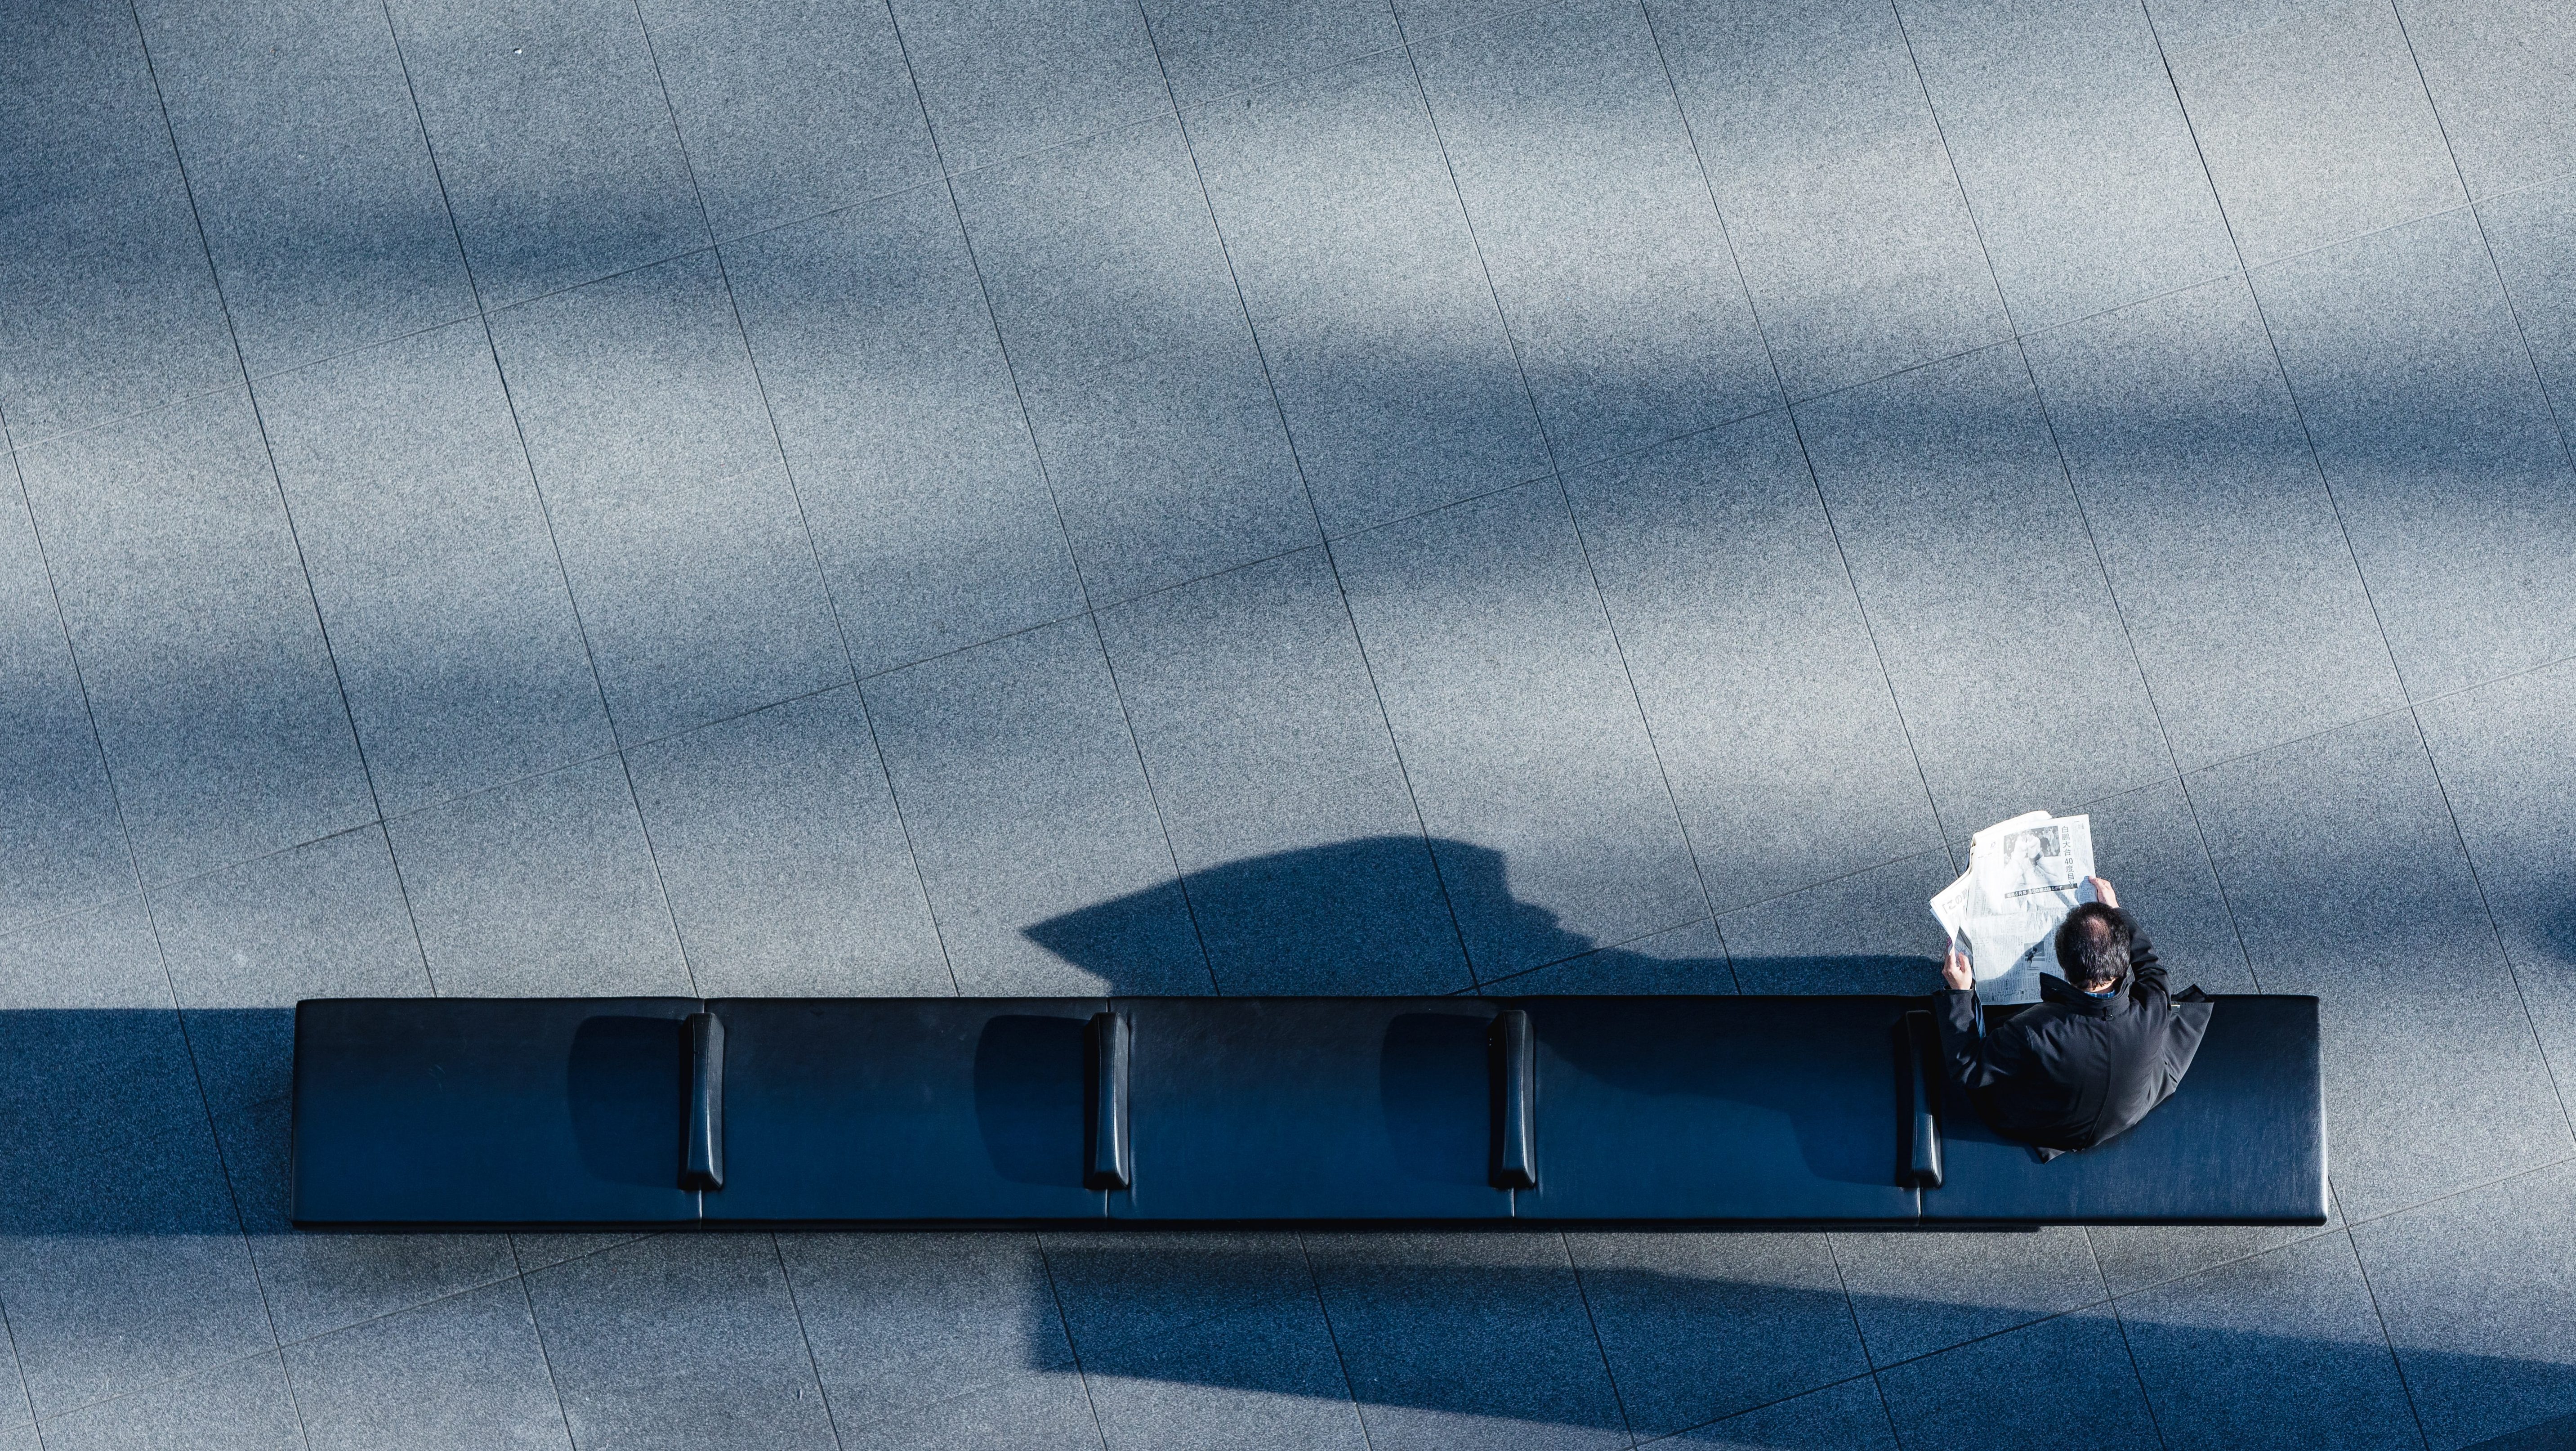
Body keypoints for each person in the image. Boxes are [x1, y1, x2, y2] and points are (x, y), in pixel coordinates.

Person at [1933, 877, 2213, 1160]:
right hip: (2127, 1112)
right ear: (2124, 960)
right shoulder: (2153, 1007)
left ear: (2065, 971)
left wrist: (1961, 992)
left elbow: (1968, 1067)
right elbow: (2152, 968)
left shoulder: (2038, 1030)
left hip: (2047, 1124)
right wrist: (2116, 911)